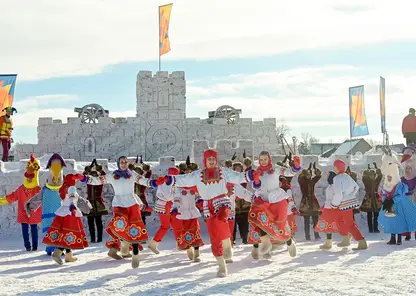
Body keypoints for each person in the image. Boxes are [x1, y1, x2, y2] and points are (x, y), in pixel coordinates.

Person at [164, 149, 257, 277]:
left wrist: (251, 175)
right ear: (205, 161)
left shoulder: (224, 172)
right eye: (209, 159)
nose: (212, 161)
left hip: (222, 201)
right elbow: (185, 179)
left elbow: (238, 177)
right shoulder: (198, 175)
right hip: (208, 205)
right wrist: (170, 179)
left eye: (213, 159)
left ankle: (227, 244)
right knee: (214, 233)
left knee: (220, 218)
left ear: (216, 160)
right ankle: (221, 264)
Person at [81, 156, 163, 269]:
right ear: (118, 163)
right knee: (120, 226)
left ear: (128, 163)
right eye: (121, 162)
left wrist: (154, 182)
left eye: (125, 162)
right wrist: (84, 178)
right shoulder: (112, 175)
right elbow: (98, 180)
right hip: (119, 204)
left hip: (132, 203)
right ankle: (122, 248)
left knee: (135, 227)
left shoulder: (132, 174)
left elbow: (143, 181)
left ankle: (134, 253)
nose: (123, 163)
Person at [249, 151, 300, 260]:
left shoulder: (275, 169)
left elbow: (287, 172)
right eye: (261, 159)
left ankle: (289, 242)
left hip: (276, 200)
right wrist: (256, 181)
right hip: (263, 200)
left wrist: (295, 167)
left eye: (265, 159)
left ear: (269, 159)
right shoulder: (256, 171)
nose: (263, 162)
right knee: (258, 219)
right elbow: (255, 186)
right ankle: (264, 243)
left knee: (279, 225)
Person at [43, 174, 91, 265]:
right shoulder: (72, 188)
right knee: (69, 235)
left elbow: (76, 198)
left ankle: (68, 255)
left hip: (63, 212)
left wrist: (86, 202)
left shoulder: (63, 188)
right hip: (70, 213)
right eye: (75, 180)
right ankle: (57, 253)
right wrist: (72, 207)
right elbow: (72, 198)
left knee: (65, 234)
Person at [0, 154, 42, 251]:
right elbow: (12, 196)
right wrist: (1, 201)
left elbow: (45, 197)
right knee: (26, 229)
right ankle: (28, 246)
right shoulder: (22, 189)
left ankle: (34, 246)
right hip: (24, 212)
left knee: (33, 228)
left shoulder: (38, 189)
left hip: (33, 212)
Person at [378, 148, 416, 245]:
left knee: (399, 220)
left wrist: (392, 200)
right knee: (390, 221)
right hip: (390, 206)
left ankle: (399, 238)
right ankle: (392, 238)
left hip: (398, 206)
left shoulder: (399, 185)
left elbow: (401, 195)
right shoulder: (387, 182)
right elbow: (385, 192)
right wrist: (385, 200)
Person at [171, 160, 204, 262]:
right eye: (186, 171)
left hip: (192, 211)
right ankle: (189, 249)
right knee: (185, 232)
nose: (188, 173)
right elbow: (176, 197)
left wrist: (201, 203)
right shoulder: (178, 186)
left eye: (190, 172)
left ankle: (197, 251)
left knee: (195, 231)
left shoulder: (196, 185)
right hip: (183, 212)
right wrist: (175, 207)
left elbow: (199, 195)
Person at [331, 160, 367, 250]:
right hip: (349, 202)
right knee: (339, 220)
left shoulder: (337, 178)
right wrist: (350, 195)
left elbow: (338, 194)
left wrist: (334, 204)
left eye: (335, 166)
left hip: (342, 203)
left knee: (349, 223)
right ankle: (345, 239)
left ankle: (361, 241)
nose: (334, 168)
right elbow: (356, 187)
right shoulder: (347, 176)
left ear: (337, 167)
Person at [147, 166, 180, 254]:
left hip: (170, 205)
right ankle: (154, 243)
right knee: (165, 226)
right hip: (164, 206)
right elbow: (168, 196)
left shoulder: (170, 182)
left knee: (176, 224)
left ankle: (179, 243)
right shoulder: (166, 182)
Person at [42, 153, 66, 255]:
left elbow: (73, 196)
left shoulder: (65, 187)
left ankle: (60, 249)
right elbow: (38, 197)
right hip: (50, 212)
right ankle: (50, 248)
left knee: (61, 231)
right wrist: (30, 205)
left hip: (61, 212)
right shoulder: (46, 189)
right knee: (51, 231)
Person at [83, 159, 108, 243]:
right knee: (90, 222)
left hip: (98, 204)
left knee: (98, 222)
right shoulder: (88, 181)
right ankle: (93, 238)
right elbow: (84, 175)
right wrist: (90, 167)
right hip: (90, 203)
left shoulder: (100, 181)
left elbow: (104, 175)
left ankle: (99, 238)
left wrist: (99, 169)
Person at [315, 171, 339, 250]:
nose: (327, 177)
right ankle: (328, 243)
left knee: (333, 225)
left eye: (328, 176)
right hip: (328, 208)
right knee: (327, 226)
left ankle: (346, 237)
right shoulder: (330, 186)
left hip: (332, 208)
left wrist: (333, 205)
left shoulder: (334, 187)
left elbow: (336, 197)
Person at [298, 162, 322, 241]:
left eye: (310, 174)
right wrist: (307, 170)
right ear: (304, 175)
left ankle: (317, 235)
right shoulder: (302, 181)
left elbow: (318, 176)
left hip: (313, 202)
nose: (310, 175)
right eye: (308, 174)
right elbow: (300, 178)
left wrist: (315, 169)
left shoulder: (311, 180)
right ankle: (307, 236)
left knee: (315, 220)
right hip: (306, 202)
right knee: (306, 221)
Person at [359, 163, 382, 233]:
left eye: (373, 174)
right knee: (369, 214)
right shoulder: (366, 181)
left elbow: (380, 176)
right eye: (371, 174)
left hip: (375, 199)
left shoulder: (376, 181)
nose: (372, 176)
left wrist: (376, 168)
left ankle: (375, 228)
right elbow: (364, 176)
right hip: (369, 199)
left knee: (376, 214)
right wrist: (368, 169)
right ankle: (370, 228)